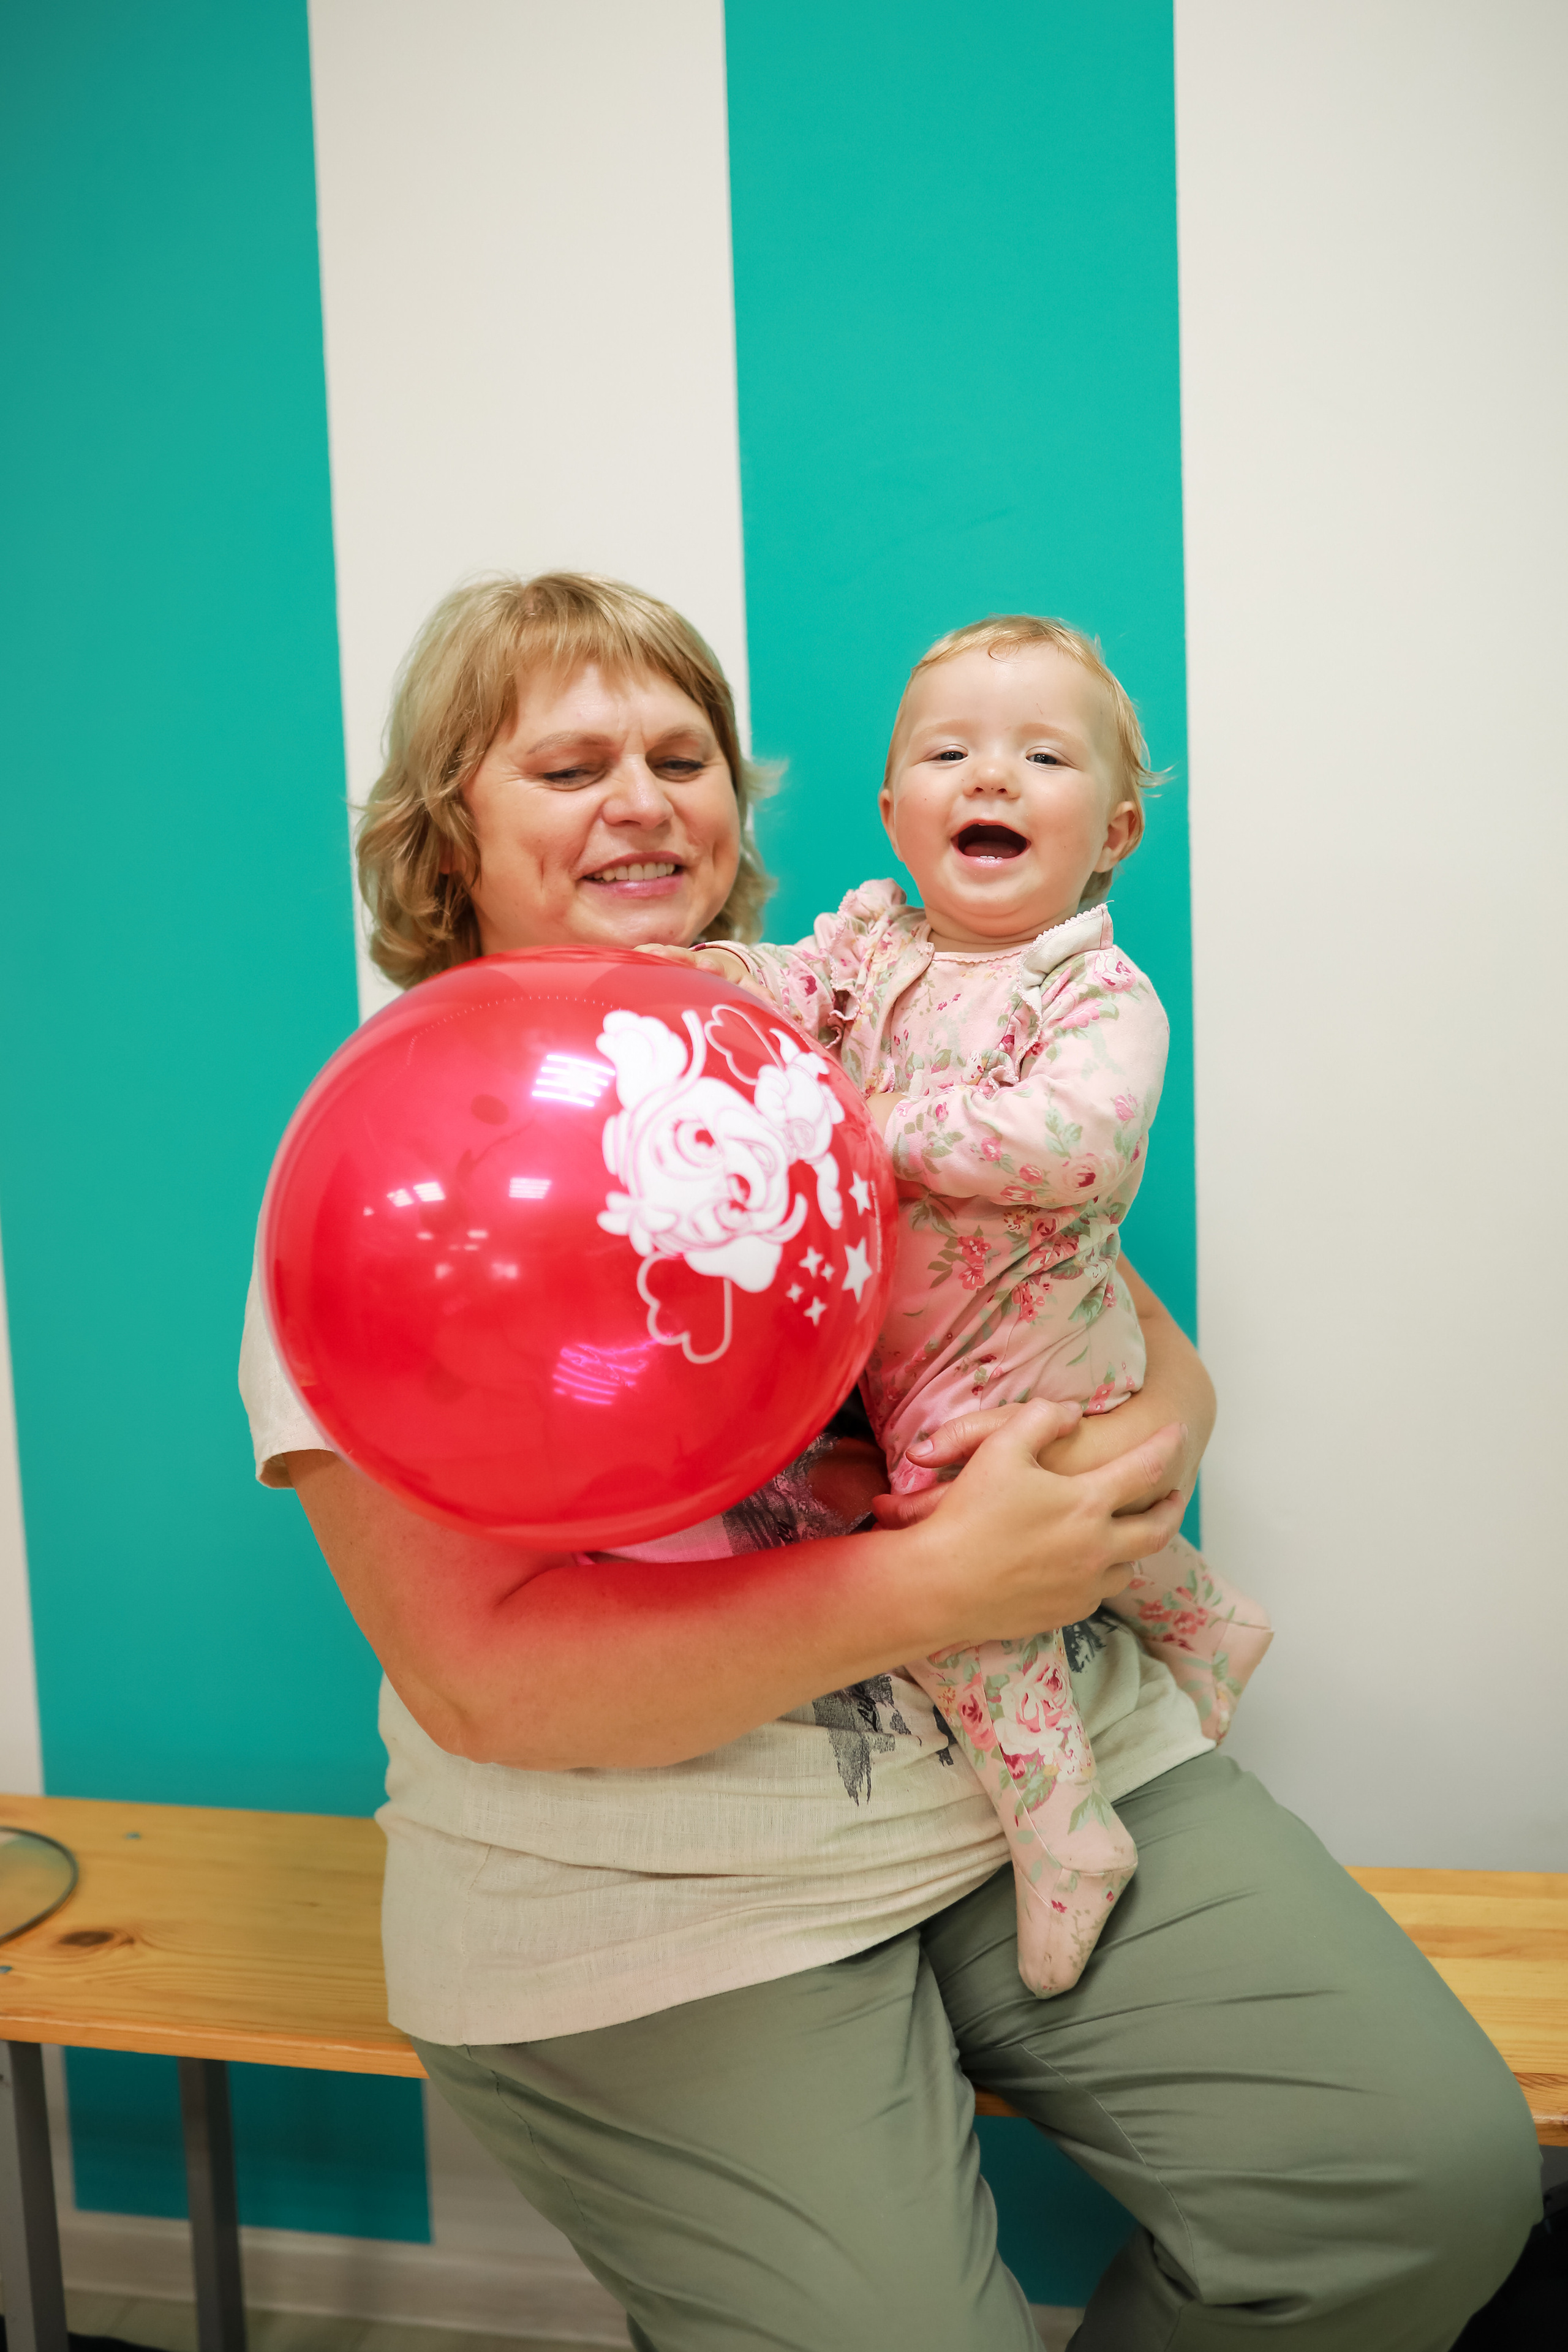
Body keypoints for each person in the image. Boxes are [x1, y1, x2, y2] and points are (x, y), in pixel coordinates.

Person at [239, 572, 1538, 2351]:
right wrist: (948, 1572)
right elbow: (484, 1678)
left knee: (1429, 2185)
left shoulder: (825, 1043)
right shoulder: (400, 1181)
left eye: (680, 754)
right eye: (567, 766)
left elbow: (1115, 1330)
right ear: (446, 839)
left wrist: (1154, 1447)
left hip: (1025, 1771)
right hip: (650, 1884)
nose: (643, 797)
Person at [658, 612, 1272, 1997]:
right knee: (1068, 1517)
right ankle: (1202, 1619)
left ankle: (1061, 1833)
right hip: (908, 1363)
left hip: (1025, 1357)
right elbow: (780, 999)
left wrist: (872, 1121)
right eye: (949, 751)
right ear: (893, 811)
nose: (987, 779)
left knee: (952, 1585)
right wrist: (712, 981)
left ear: (1111, 830)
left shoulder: (1096, 991)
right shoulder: (868, 945)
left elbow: (1080, 1146)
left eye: (1040, 756)